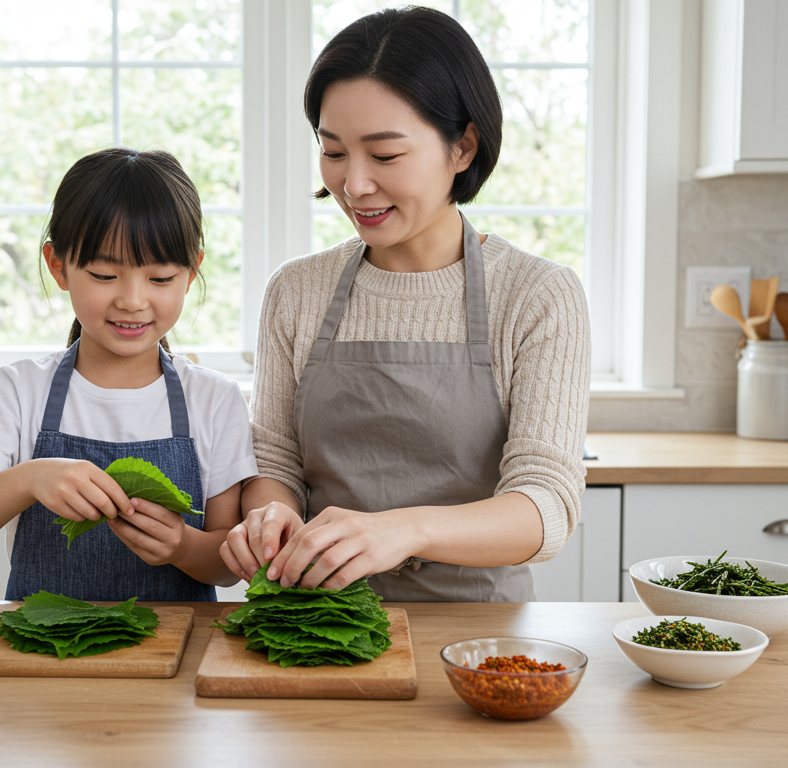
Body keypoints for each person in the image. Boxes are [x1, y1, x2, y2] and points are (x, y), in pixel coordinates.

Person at [221, 7, 590, 602]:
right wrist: (270, 516)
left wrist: (404, 529)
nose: (354, 185)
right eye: (333, 151)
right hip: (314, 624)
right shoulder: (296, 290)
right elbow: (276, 463)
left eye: (385, 155)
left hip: (476, 643)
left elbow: (545, 504)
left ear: (463, 147)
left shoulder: (537, 294)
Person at [0, 147, 258, 602]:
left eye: (160, 278)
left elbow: (228, 566)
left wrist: (183, 546)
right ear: (58, 266)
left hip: (173, 655)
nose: (132, 300)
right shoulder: (20, 390)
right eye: (105, 275)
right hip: (47, 654)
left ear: (191, 272)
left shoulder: (215, 398)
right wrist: (29, 478)